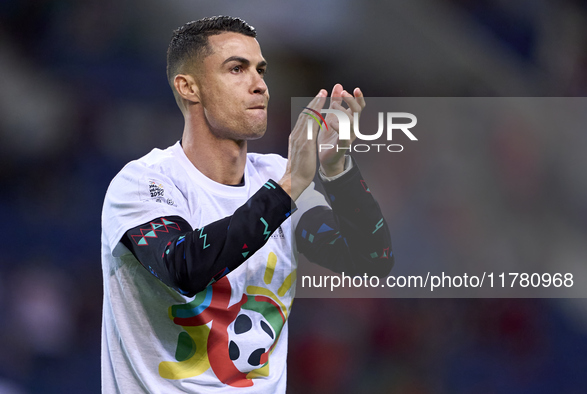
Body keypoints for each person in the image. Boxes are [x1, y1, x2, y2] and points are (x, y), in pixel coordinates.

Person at [101, 16, 393, 393]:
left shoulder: (274, 176)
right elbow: (184, 267)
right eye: (236, 69)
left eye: (261, 70)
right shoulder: (143, 183)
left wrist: (339, 172)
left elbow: (371, 262)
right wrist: (287, 190)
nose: (259, 85)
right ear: (189, 87)